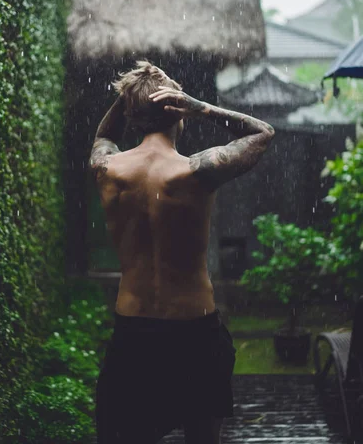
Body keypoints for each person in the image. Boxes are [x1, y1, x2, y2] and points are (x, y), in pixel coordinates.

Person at [89, 60, 275, 444]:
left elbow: (102, 136)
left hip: (134, 334)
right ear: (177, 112)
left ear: (133, 117)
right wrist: (199, 105)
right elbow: (263, 132)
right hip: (195, 333)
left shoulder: (107, 169)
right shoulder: (195, 172)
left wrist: (128, 98)